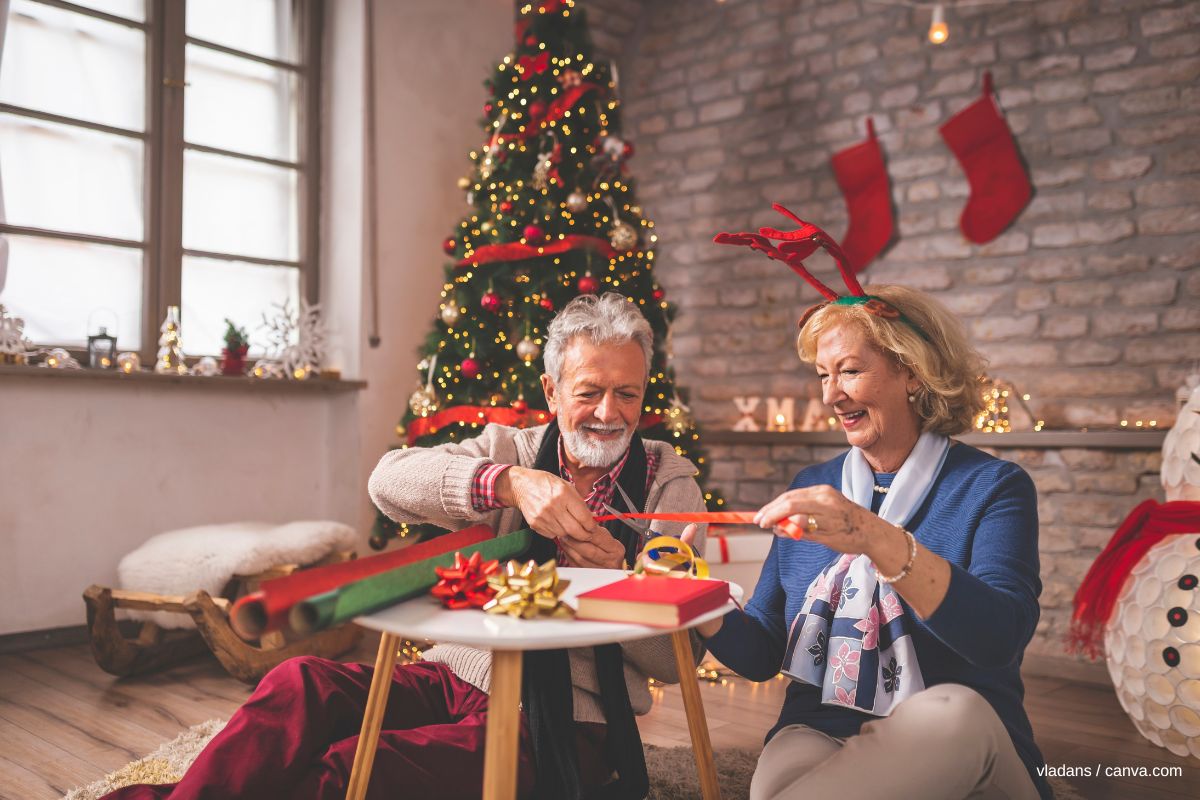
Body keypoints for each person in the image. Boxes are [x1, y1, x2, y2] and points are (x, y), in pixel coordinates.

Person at [101, 292, 706, 800]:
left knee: (350, 769)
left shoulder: (669, 486)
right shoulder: (513, 450)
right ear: (551, 390)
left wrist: (625, 579)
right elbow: (387, 481)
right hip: (453, 676)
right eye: (589, 390)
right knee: (298, 683)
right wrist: (509, 483)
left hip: (569, 723)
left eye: (628, 394)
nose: (609, 412)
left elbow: (673, 663)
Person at [696, 212, 1051, 800]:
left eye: (851, 371)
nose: (832, 394)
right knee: (779, 783)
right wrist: (695, 596)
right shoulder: (814, 484)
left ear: (911, 373)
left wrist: (867, 532)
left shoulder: (994, 486)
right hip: (823, 724)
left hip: (963, 736)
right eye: (822, 375)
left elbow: (999, 638)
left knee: (952, 713)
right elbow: (761, 652)